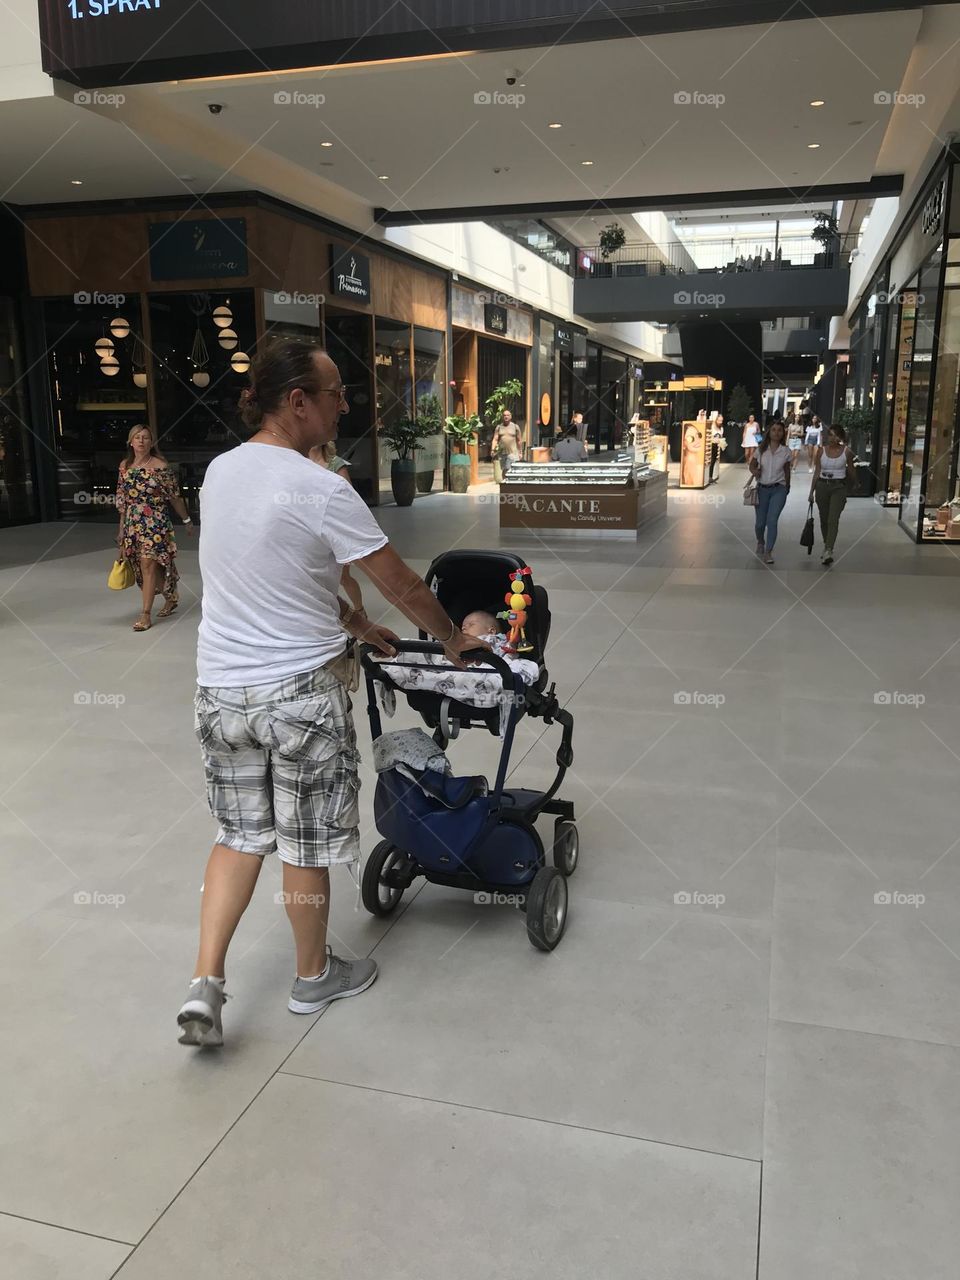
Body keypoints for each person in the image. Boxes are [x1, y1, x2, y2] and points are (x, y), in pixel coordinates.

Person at [177, 338, 481, 1049]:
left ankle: (204, 983)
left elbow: (270, 573)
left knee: (237, 837)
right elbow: (402, 581)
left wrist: (351, 622)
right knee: (303, 844)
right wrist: (447, 639)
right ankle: (313, 977)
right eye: (337, 391)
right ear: (298, 402)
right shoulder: (321, 487)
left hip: (221, 691)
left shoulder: (222, 472)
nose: (348, 403)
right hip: (298, 698)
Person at [116, 425, 194, 632]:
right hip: (133, 522)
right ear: (130, 442)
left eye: (146, 438)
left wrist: (186, 520)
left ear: (151, 443)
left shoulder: (160, 466)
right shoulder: (124, 466)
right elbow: (122, 501)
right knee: (144, 566)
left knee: (148, 563)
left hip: (155, 522)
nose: (141, 441)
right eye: (137, 437)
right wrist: (121, 531)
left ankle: (145, 614)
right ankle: (170, 597)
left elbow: (174, 497)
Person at [809, 423, 854, 566]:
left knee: (833, 518)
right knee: (824, 518)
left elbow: (852, 470)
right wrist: (811, 492)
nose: (832, 438)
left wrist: (856, 483)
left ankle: (829, 549)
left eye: (835, 435)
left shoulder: (846, 452)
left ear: (840, 437)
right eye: (830, 434)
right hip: (822, 485)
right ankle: (826, 544)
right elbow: (817, 472)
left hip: (838, 487)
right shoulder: (821, 451)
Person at [749, 420, 792, 564]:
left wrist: (787, 487)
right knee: (760, 524)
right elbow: (752, 465)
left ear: (783, 433)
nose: (776, 432)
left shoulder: (786, 451)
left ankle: (769, 551)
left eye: (779, 430)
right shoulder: (761, 449)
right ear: (769, 432)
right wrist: (755, 471)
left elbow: (787, 470)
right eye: (773, 430)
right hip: (762, 489)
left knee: (772, 520)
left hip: (778, 489)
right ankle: (760, 541)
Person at [491, 409, 522, 477]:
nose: (506, 417)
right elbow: (495, 439)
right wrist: (493, 450)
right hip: (502, 453)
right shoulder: (499, 427)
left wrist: (520, 452)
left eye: (508, 415)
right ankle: (504, 485)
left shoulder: (515, 427)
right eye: (504, 415)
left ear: (510, 417)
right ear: (502, 417)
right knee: (504, 470)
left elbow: (519, 440)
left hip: (513, 453)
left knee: (510, 469)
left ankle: (511, 485)